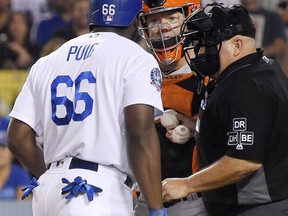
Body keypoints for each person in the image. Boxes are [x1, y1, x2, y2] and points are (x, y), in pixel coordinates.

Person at [7, 0, 166, 215]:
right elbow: (139, 132)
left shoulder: (49, 59)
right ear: (137, 20)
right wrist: (156, 207)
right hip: (95, 191)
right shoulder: (136, 57)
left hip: (48, 192)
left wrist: (50, 176)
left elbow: (17, 137)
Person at [162, 3, 288, 216]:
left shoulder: (248, 85)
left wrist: (185, 185)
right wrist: (202, 128)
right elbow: (259, 130)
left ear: (237, 45)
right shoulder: (254, 70)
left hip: (257, 208)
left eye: (208, 43)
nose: (200, 51)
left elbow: (243, 161)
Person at [134, 0, 207, 215]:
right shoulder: (135, 74)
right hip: (142, 199)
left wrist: (199, 128)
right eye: (155, 20)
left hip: (194, 199)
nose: (163, 27)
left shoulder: (209, 75)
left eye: (172, 18)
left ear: (190, 18)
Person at [0, 116, 31, 200]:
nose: (0, 151)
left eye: (3, 147)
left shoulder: (20, 175)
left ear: (12, 152)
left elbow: (22, 208)